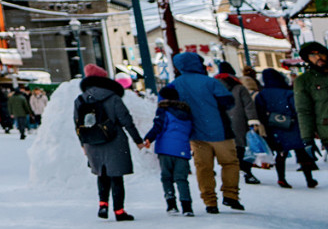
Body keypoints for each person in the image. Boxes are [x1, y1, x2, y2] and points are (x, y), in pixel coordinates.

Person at [172, 52, 243, 213]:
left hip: (196, 134)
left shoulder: (175, 84)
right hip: (220, 131)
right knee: (230, 163)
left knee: (203, 168)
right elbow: (228, 102)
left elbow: (168, 105)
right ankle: (231, 195)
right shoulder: (211, 82)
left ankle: (210, 201)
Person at [72, 64, 144, 220]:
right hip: (114, 139)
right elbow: (126, 120)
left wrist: (83, 144)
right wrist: (137, 140)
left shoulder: (80, 99)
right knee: (116, 176)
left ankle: (103, 205)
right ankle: (119, 211)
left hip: (92, 140)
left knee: (101, 174)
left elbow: (77, 123)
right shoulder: (113, 97)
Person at [254, 68, 317, 189]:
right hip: (293, 125)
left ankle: (281, 178)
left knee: (281, 154)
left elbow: (260, 112)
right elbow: (297, 108)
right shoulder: (288, 92)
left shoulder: (262, 94)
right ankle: (309, 179)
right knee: (301, 152)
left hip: (274, 126)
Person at [148, 84, 196, 215]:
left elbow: (158, 126)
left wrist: (148, 139)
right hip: (182, 150)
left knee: (167, 177)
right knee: (181, 178)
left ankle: (171, 204)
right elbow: (191, 130)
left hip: (165, 149)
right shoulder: (187, 112)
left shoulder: (163, 110)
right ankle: (187, 207)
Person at [215, 60, 263, 187]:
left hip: (220, 121)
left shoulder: (214, 87)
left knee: (227, 146)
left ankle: (231, 169)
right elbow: (248, 105)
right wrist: (252, 120)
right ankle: (245, 170)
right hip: (239, 120)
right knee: (241, 146)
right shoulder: (239, 87)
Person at [295, 42, 328, 159]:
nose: (318, 58)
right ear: (307, 59)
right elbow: (304, 111)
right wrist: (307, 139)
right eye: (313, 55)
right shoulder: (304, 81)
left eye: (320, 53)